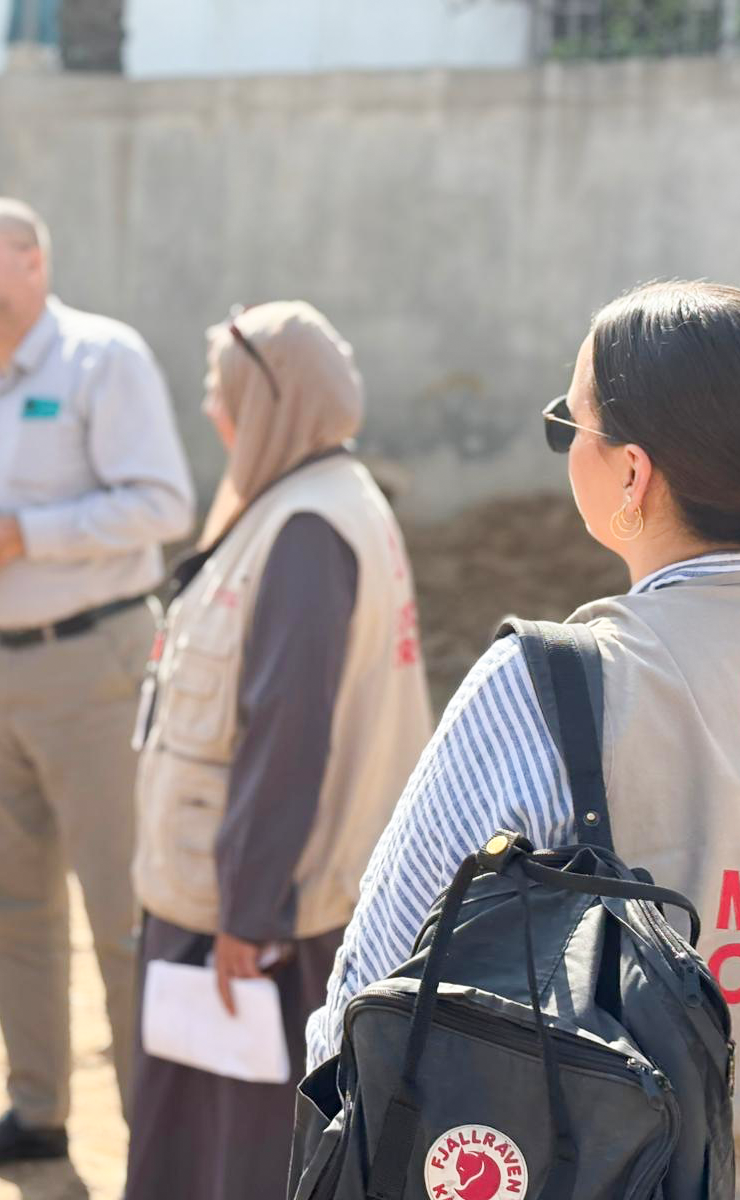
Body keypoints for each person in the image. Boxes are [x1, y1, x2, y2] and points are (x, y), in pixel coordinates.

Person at [309, 281, 740, 1200]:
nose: (566, 448)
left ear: (632, 474)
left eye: (569, 425)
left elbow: (374, 986)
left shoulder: (550, 683)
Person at [124, 302, 432, 1200]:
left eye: (221, 392)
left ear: (271, 403)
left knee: (236, 1156)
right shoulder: (316, 501)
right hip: (252, 902)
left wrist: (247, 915)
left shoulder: (306, 529)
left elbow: (286, 737)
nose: (211, 411)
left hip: (256, 927)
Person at [0, 198, 194, 1169]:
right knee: (10, 904)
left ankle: (158, 1144)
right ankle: (35, 1118)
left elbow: (162, 504)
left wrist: (21, 535)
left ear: (32, 261)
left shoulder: (102, 360)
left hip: (95, 666)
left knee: (124, 915)